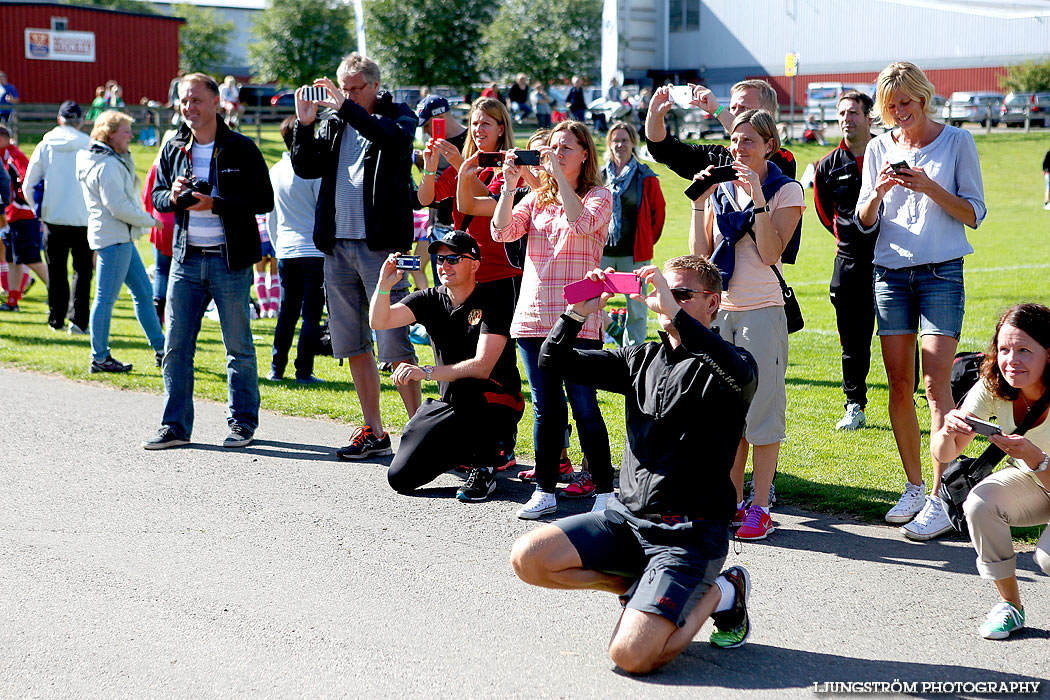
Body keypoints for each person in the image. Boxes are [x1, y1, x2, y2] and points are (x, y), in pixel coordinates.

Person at [510, 256, 758, 673]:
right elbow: (554, 361)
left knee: (631, 656)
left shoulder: (734, 365)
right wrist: (577, 313)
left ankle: (722, 592)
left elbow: (731, 368)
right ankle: (639, 586)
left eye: (681, 293)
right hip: (626, 522)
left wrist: (676, 315)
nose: (666, 302)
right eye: (664, 291)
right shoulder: (640, 358)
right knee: (529, 558)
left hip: (688, 536)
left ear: (712, 303)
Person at [856, 61, 986, 541]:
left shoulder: (957, 142)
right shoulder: (878, 147)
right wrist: (880, 191)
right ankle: (912, 485)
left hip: (941, 273)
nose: (897, 114)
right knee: (898, 385)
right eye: (889, 107)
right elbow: (864, 219)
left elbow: (974, 213)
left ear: (923, 98)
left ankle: (938, 497)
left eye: (904, 104)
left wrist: (929, 186)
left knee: (936, 387)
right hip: (889, 273)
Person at [290, 53, 421, 460]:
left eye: (354, 89)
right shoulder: (333, 119)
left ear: (374, 86)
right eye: (342, 88)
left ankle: (418, 434)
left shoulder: (398, 114)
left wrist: (343, 107)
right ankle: (376, 431)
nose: (345, 95)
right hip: (337, 247)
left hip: (381, 246)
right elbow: (306, 167)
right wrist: (305, 124)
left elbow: (394, 141)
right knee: (353, 345)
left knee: (394, 343)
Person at [689, 109, 805, 541]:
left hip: (762, 309)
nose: (738, 149)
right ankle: (732, 501)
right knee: (726, 415)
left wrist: (756, 197)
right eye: (735, 141)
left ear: (769, 146)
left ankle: (761, 505)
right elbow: (700, 256)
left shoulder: (786, 189)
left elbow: (773, 252)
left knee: (763, 412)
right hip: (722, 310)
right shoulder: (719, 191)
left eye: (749, 141)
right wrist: (701, 197)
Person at [143, 73, 274, 450]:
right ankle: (175, 427)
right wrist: (177, 195)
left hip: (229, 262)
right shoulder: (174, 147)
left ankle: (242, 423)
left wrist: (215, 204)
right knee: (176, 346)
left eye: (197, 100)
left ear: (217, 103)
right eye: (184, 101)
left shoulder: (241, 148)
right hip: (184, 261)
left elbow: (262, 201)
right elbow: (157, 197)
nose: (189, 107)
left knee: (239, 348)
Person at [492, 120, 615, 518]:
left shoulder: (599, 195)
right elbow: (501, 233)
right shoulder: (535, 199)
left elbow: (581, 223)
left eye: (565, 148)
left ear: (585, 155)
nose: (556, 154)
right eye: (553, 148)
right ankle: (545, 491)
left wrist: (558, 178)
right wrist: (511, 187)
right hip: (533, 316)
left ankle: (604, 492)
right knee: (547, 407)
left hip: (578, 316)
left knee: (584, 405)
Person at [372, 230, 524, 501]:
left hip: (496, 400)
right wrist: (384, 284)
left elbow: (482, 367)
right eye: (440, 259)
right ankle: (466, 450)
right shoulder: (429, 299)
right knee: (400, 478)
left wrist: (426, 372)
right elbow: (379, 321)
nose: (445, 266)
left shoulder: (494, 299)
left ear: (475, 264)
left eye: (454, 258)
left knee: (470, 389)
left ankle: (486, 464)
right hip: (451, 402)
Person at [931, 303, 1050, 640]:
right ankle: (1010, 606)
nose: (1011, 360)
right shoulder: (994, 382)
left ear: (1049, 354)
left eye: (1025, 350)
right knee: (980, 502)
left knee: (1047, 558)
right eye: (1004, 349)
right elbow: (944, 453)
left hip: (1043, 469)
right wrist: (948, 432)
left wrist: (1035, 456)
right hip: (1034, 478)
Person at [75, 110, 165, 374]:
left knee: (144, 294)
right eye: (126, 131)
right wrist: (150, 220)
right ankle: (100, 357)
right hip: (114, 239)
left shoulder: (106, 158)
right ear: (110, 134)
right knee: (106, 299)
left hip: (119, 238)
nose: (131, 135)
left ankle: (161, 350)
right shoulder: (108, 164)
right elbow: (118, 207)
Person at [813, 90, 876, 431]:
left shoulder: (890, 154)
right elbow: (826, 215)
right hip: (850, 264)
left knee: (902, 335)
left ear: (869, 117)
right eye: (841, 114)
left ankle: (907, 395)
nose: (846, 119)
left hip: (894, 260)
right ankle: (855, 405)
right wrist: (851, 239)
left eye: (853, 113)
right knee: (853, 339)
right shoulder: (827, 166)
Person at [23, 100, 93, 334]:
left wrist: (39, 209)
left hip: (53, 217)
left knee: (56, 270)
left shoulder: (46, 145)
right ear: (80, 121)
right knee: (82, 271)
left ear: (59, 119)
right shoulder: (89, 144)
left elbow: (28, 184)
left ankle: (56, 319)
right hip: (83, 217)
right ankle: (79, 321)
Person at [646, 78, 796, 180]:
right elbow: (664, 151)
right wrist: (654, 114)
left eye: (744, 108)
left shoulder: (781, 158)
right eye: (732, 108)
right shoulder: (718, 156)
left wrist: (716, 110)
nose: (735, 113)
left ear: (767, 116)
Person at [267, 116, 324, 384]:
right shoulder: (314, 170)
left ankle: (276, 368)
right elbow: (322, 211)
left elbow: (272, 217)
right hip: (313, 251)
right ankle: (303, 371)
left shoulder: (276, 169)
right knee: (311, 314)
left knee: (286, 313)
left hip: (287, 250)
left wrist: (278, 246)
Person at [601, 121, 665, 346]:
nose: (620, 145)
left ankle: (635, 355)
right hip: (602, 254)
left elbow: (659, 214)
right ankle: (613, 335)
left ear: (633, 144)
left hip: (633, 256)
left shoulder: (645, 176)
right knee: (590, 302)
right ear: (609, 144)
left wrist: (646, 241)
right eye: (616, 140)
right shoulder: (599, 177)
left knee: (636, 308)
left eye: (624, 140)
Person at [0, 124, 49, 312]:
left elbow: (26, 179)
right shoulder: (4, 155)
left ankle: (60, 295)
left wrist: (21, 203)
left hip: (23, 215)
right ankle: (13, 301)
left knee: (31, 259)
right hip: (11, 216)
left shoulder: (13, 155)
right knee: (13, 259)